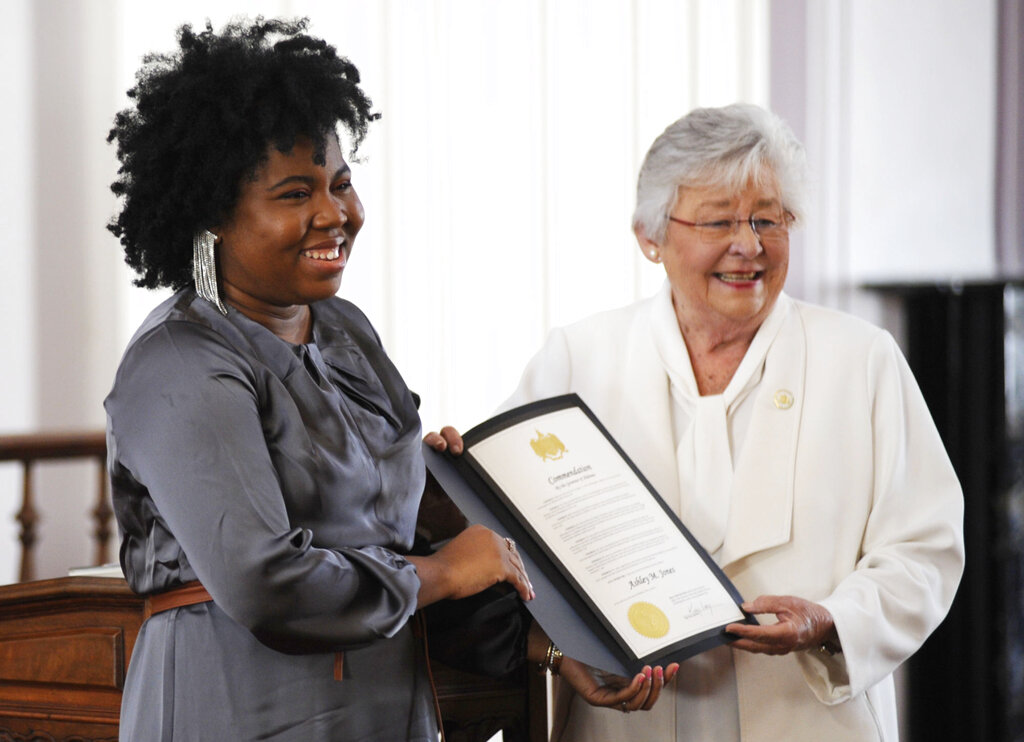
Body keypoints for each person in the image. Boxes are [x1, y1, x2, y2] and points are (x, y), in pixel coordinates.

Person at [104, 18, 672, 741]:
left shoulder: (346, 332)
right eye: (293, 194)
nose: (335, 214)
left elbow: (393, 537)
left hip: (386, 703)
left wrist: (555, 645)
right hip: (236, 703)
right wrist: (443, 574)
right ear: (210, 218)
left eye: (341, 184)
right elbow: (264, 582)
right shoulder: (181, 361)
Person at [430, 103, 964, 741]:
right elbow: (507, 542)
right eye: (719, 221)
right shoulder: (580, 357)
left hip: (806, 715)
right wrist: (458, 475)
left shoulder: (861, 358)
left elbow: (924, 550)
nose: (750, 245)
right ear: (649, 236)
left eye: (769, 218)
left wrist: (831, 621)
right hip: (630, 719)